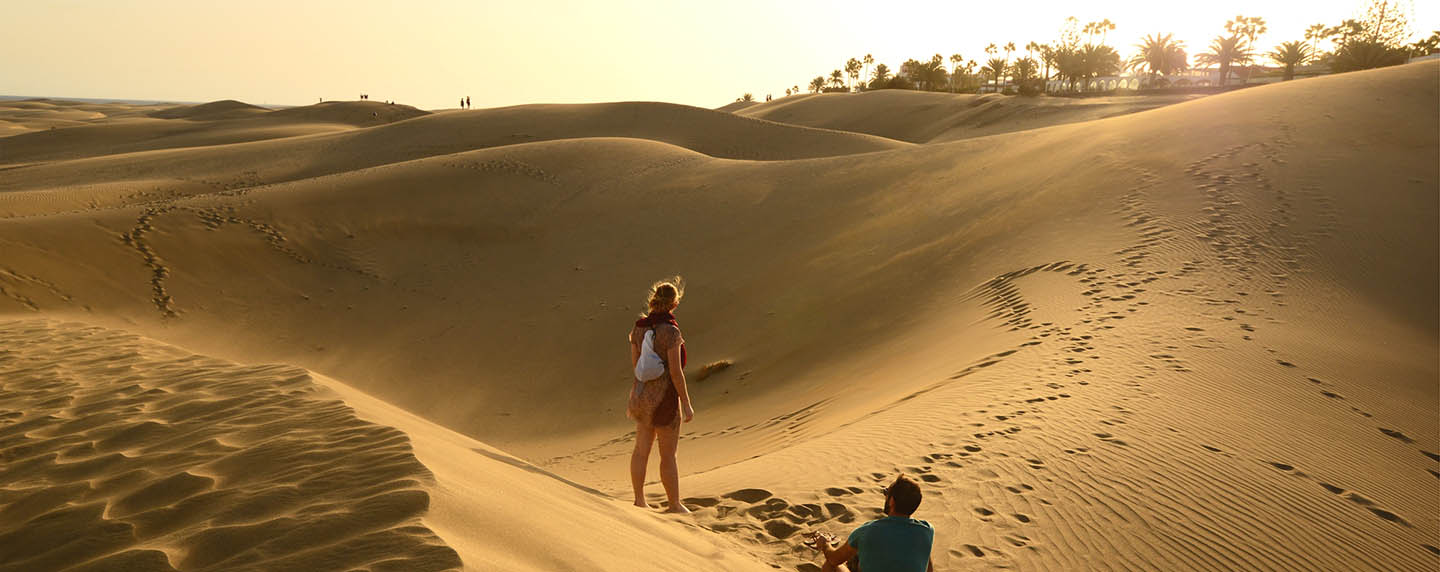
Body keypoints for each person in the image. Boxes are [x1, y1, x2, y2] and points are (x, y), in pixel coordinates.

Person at [627, 277, 695, 513]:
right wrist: (686, 404)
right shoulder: (671, 332)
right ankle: (674, 504)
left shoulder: (638, 328)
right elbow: (676, 372)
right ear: (675, 303)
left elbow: (637, 368)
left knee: (640, 450)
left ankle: (639, 500)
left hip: (641, 396)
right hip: (665, 400)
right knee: (668, 456)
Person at [810, 475, 935, 572]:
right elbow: (928, 567)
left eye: (886, 493)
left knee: (831, 565)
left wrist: (825, 544)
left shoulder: (867, 531)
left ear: (891, 501)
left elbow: (834, 558)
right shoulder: (927, 531)